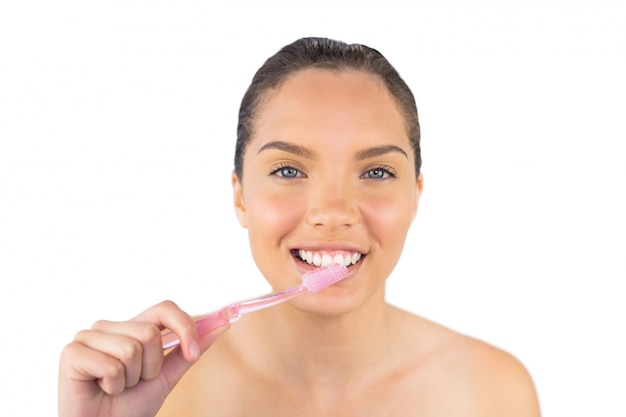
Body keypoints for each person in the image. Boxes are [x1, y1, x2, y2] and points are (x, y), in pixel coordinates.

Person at [58, 36, 541, 416]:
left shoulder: (493, 393)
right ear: (240, 195)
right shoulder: (159, 394)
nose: (333, 212)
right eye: (289, 171)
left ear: (415, 197)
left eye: (376, 172)